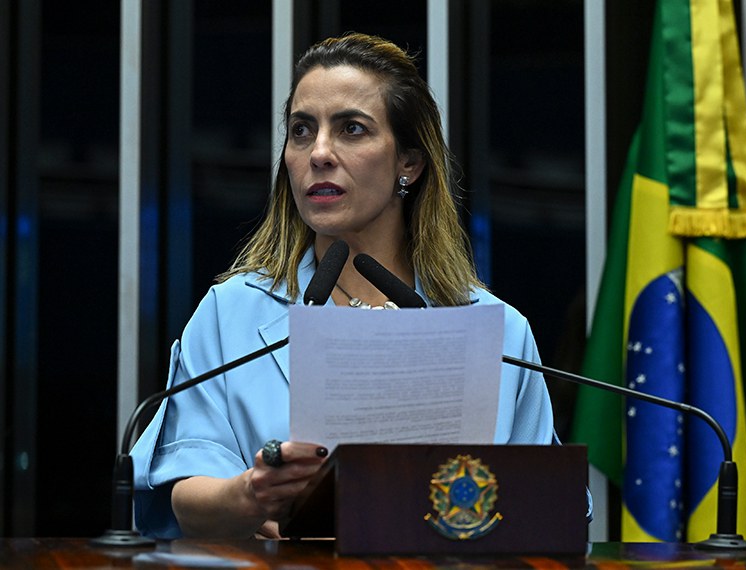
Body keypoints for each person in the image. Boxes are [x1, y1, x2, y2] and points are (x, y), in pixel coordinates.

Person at [131, 32, 556, 540]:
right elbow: (181, 494)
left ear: (409, 164)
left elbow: (546, 506)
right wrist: (250, 493)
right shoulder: (231, 314)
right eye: (301, 131)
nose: (320, 153)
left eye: (352, 129)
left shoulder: (498, 331)